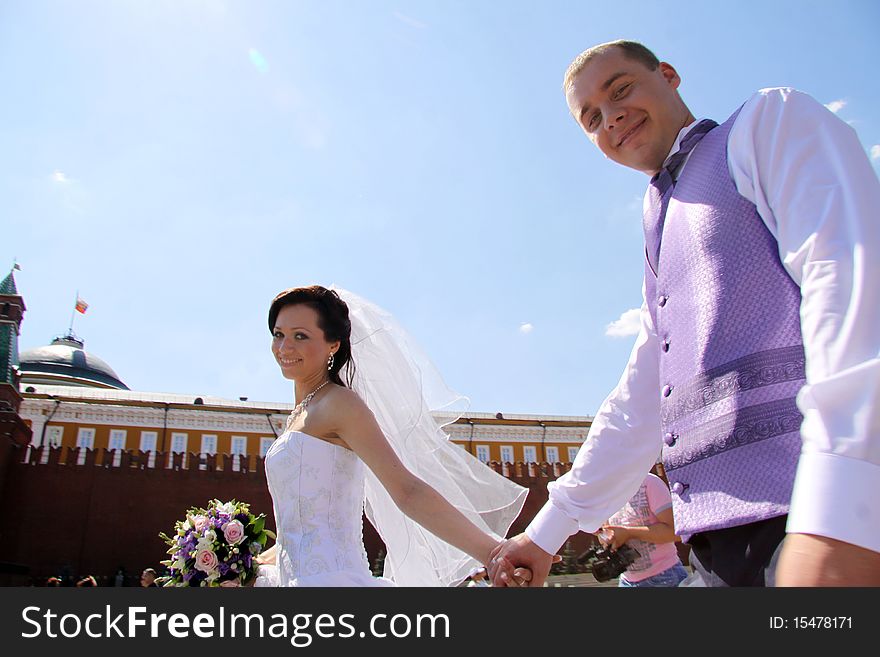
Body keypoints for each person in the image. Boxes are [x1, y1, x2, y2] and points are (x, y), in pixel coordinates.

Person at [490, 40, 880, 587]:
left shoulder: (768, 122)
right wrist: (546, 533)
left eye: (621, 89)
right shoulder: (657, 224)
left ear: (669, 75)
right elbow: (647, 391)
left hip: (814, 522)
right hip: (717, 546)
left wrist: (848, 507)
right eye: (591, 118)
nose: (611, 117)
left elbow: (850, 276)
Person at [254, 286, 530, 586]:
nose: (284, 347)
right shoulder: (299, 415)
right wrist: (238, 559)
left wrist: (491, 553)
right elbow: (299, 528)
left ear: (333, 344)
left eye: (300, 335)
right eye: (278, 334)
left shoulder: (340, 404)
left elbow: (407, 490)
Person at [597, 472, 687, 587]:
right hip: (626, 581)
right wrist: (606, 537)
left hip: (664, 577)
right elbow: (606, 534)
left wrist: (629, 533)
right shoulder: (606, 492)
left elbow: (675, 532)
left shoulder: (649, 482)